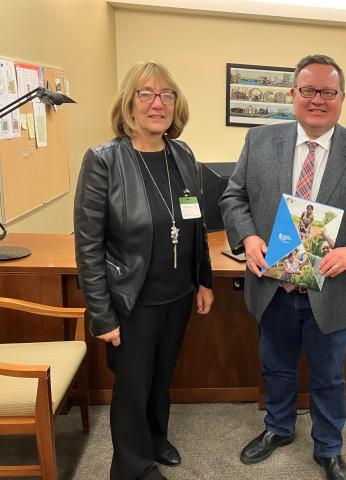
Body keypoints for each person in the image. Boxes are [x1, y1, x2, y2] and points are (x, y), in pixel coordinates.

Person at [220, 54, 346, 480]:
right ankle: (278, 429)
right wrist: (248, 237)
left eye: (328, 92)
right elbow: (233, 197)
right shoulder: (260, 142)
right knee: (276, 365)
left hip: (331, 290)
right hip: (273, 286)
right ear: (293, 95)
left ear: (341, 98)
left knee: (328, 377)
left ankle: (329, 448)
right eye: (308, 90)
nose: (317, 99)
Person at [74, 61, 214, 480]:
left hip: (177, 293)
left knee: (160, 376)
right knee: (132, 386)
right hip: (131, 298)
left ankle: (156, 438)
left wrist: (202, 280)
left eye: (167, 95)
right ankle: (132, 467)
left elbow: (196, 225)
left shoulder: (182, 154)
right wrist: (101, 314)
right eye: (147, 94)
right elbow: (88, 245)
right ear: (129, 103)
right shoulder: (104, 160)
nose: (158, 103)